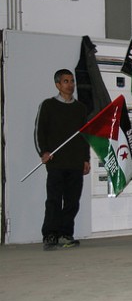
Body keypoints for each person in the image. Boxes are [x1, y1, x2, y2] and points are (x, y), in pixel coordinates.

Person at [36, 69, 91, 251]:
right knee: (53, 200)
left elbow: (85, 136)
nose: (71, 85)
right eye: (66, 81)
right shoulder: (48, 105)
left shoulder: (80, 108)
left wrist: (86, 159)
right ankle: (50, 235)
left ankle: (65, 234)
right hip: (56, 162)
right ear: (58, 85)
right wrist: (44, 152)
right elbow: (40, 132)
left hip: (75, 163)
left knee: (72, 201)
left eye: (72, 81)